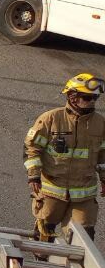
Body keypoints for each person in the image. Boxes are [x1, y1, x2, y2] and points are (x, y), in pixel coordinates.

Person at [24, 73, 105, 241]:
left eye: (94, 98)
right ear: (72, 96)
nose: (92, 102)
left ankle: (70, 266)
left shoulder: (101, 124)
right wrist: (33, 176)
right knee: (44, 234)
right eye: (87, 97)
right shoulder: (51, 119)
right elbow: (32, 147)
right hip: (52, 192)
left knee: (83, 239)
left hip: (84, 195)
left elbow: (103, 156)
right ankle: (41, 263)